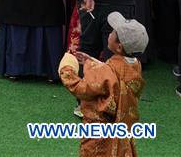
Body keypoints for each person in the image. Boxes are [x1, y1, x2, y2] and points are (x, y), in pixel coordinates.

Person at [58, 13, 148, 156]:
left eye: (113, 32)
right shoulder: (136, 65)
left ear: (119, 47)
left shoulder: (106, 71)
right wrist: (92, 62)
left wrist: (67, 67)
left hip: (99, 133)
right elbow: (118, 75)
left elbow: (80, 88)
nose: (109, 33)